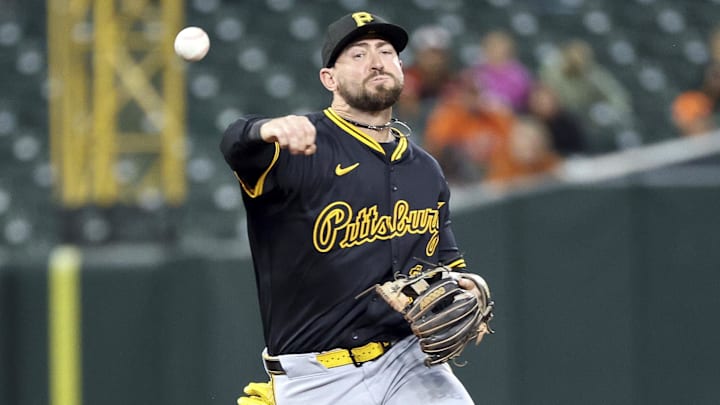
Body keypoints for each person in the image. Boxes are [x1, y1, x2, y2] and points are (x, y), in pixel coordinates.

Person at [220, 11, 490, 405]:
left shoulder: (425, 169)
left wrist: (464, 287)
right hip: (317, 376)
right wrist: (260, 129)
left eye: (386, 51)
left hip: (408, 361)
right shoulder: (298, 143)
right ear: (329, 78)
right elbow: (234, 144)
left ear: (401, 68)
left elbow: (446, 265)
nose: (377, 60)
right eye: (358, 54)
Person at [423, 70, 515, 184]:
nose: (472, 98)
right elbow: (436, 149)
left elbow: (512, 139)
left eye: (476, 93)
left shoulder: (494, 114)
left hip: (498, 176)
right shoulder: (448, 115)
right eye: (468, 93)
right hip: (460, 180)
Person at [468, 30, 534, 113]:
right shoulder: (476, 72)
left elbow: (526, 98)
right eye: (492, 46)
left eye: (500, 46)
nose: (497, 50)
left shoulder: (519, 73)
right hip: (483, 115)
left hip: (514, 114)